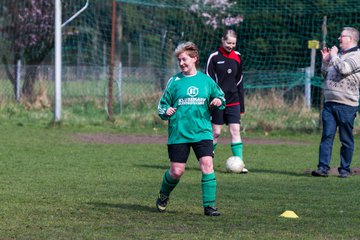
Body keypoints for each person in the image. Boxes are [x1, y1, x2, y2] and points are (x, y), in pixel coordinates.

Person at [156, 42, 226, 216]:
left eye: (184, 59)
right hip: (179, 132)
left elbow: (221, 98)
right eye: (179, 60)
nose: (181, 63)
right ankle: (164, 195)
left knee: (207, 164)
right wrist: (167, 111)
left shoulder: (206, 81)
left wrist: (218, 101)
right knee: (177, 171)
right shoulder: (175, 81)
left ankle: (209, 206)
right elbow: (161, 106)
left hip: (202, 131)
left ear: (194, 59)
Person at [312, 27, 360, 178]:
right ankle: (322, 168)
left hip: (347, 105)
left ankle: (345, 169)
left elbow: (344, 69)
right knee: (327, 136)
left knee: (346, 139)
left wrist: (333, 56)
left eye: (342, 36)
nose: (339, 38)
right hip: (330, 103)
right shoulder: (338, 55)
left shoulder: (357, 55)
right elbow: (326, 74)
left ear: (351, 39)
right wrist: (326, 62)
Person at [205, 29, 248, 173]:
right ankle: (207, 162)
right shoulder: (214, 57)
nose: (231, 45)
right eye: (228, 42)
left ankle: (240, 164)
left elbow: (239, 81)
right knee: (216, 132)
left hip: (234, 101)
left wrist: (241, 105)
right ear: (222, 41)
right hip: (217, 101)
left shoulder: (238, 57)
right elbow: (208, 82)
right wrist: (212, 100)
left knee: (235, 130)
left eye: (233, 43)